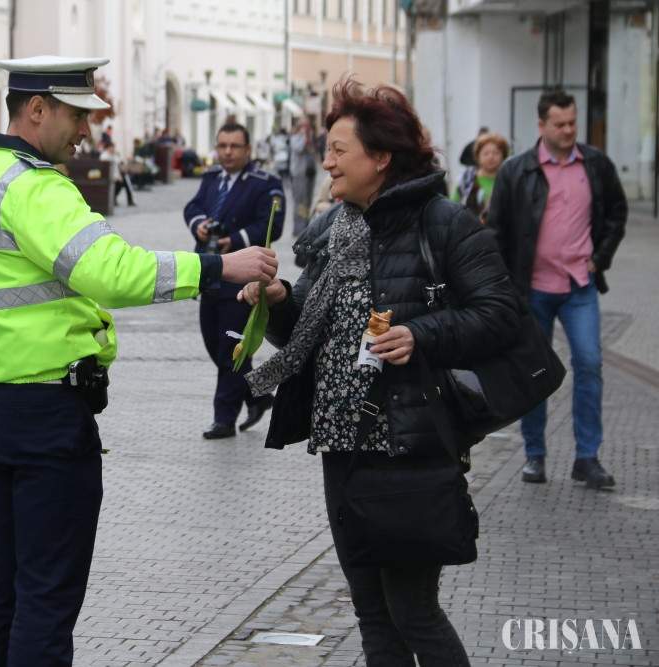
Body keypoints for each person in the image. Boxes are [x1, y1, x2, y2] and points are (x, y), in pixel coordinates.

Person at [0, 55, 278, 667]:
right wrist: (218, 267)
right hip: (46, 417)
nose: (86, 131)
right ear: (37, 108)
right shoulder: (34, 187)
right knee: (45, 596)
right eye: (77, 115)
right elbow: (112, 272)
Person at [241, 77, 520, 666]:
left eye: (339, 150)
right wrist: (279, 299)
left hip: (409, 443)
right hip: (342, 444)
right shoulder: (335, 229)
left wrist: (422, 334)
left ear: (382, 157)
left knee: (412, 611)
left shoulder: (444, 223)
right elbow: (307, 331)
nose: (328, 162)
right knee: (372, 614)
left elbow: (500, 315)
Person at [486, 89, 628, 489]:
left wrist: (600, 257)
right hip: (532, 291)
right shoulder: (516, 171)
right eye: (560, 124)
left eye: (572, 123)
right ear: (541, 125)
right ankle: (534, 455)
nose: (568, 130)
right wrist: (503, 286)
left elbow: (617, 212)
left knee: (590, 364)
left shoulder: (596, 164)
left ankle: (587, 458)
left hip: (579, 286)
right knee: (535, 371)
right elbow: (497, 231)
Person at [183, 122, 286, 439]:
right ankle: (258, 396)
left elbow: (273, 224)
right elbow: (193, 206)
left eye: (234, 146)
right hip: (211, 273)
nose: (227, 152)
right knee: (217, 347)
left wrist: (236, 239)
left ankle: (223, 419)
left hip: (244, 281)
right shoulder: (212, 177)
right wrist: (199, 225)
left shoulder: (265, 183)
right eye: (222, 146)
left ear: (248, 149)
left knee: (231, 350)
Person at [450, 131, 508, 224]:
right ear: (478, 156)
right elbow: (453, 203)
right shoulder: (467, 179)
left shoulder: (508, 179)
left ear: (503, 155)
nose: (491, 157)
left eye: (496, 153)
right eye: (486, 153)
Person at [289, 118, 318, 236]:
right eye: (304, 126)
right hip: (300, 174)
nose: (307, 128)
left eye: (308, 126)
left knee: (307, 202)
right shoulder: (296, 138)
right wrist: (303, 136)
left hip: (309, 173)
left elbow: (311, 152)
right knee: (300, 201)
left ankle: (305, 225)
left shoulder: (309, 138)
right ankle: (298, 227)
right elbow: (299, 148)